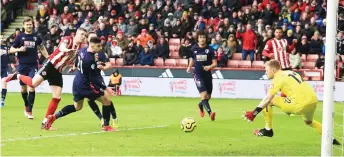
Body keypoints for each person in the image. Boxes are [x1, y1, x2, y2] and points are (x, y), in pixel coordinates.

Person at [243, 60, 340, 145]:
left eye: (267, 70)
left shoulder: (278, 78)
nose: (266, 72)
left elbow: (268, 98)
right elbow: (292, 89)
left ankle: (268, 129)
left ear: (273, 70)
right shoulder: (290, 72)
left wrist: (254, 113)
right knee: (309, 122)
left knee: (270, 101)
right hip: (313, 101)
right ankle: (330, 139)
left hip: (299, 104)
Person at [5, 27, 87, 129]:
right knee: (33, 84)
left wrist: (74, 67)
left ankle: (45, 123)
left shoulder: (79, 48)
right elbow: (62, 47)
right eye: (82, 34)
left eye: (85, 35)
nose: (83, 37)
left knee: (57, 97)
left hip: (58, 71)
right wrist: (67, 50)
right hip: (50, 65)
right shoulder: (68, 39)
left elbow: (74, 59)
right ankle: (16, 75)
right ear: (76, 34)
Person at [45, 37, 117, 132]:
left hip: (77, 82)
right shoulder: (89, 59)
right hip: (86, 85)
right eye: (98, 46)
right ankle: (106, 126)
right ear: (92, 45)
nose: (100, 48)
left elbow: (78, 61)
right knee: (106, 101)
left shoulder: (83, 50)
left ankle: (54, 117)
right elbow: (93, 78)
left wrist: (75, 67)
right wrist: (105, 88)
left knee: (77, 107)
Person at [8, 17, 49, 119]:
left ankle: (30, 111)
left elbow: (42, 48)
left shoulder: (36, 36)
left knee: (32, 85)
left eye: (30, 24)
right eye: (27, 24)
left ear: (32, 25)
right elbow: (10, 50)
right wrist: (19, 49)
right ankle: (26, 105)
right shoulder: (20, 37)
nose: (29, 26)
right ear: (24, 26)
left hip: (33, 65)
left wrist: (49, 58)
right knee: (23, 89)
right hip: (22, 66)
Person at [80, 31, 119, 128]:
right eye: (91, 38)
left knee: (107, 99)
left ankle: (114, 118)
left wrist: (104, 68)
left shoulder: (101, 52)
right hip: (88, 80)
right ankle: (101, 119)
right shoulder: (84, 51)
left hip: (97, 78)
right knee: (89, 99)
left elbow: (109, 64)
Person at [186, 31, 217, 121]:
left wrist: (209, 66)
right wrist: (189, 67)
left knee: (208, 96)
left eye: (204, 37)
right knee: (203, 94)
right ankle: (210, 113)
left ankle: (201, 105)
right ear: (198, 39)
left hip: (207, 75)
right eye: (200, 37)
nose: (202, 39)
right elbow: (192, 59)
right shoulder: (193, 49)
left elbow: (215, 63)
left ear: (206, 38)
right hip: (197, 74)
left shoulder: (210, 49)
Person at [1, 35, 15, 108]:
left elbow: (7, 59)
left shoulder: (6, 47)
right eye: (0, 38)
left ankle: (2, 100)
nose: (2, 39)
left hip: (4, 69)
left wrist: (12, 66)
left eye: (2, 38)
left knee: (4, 83)